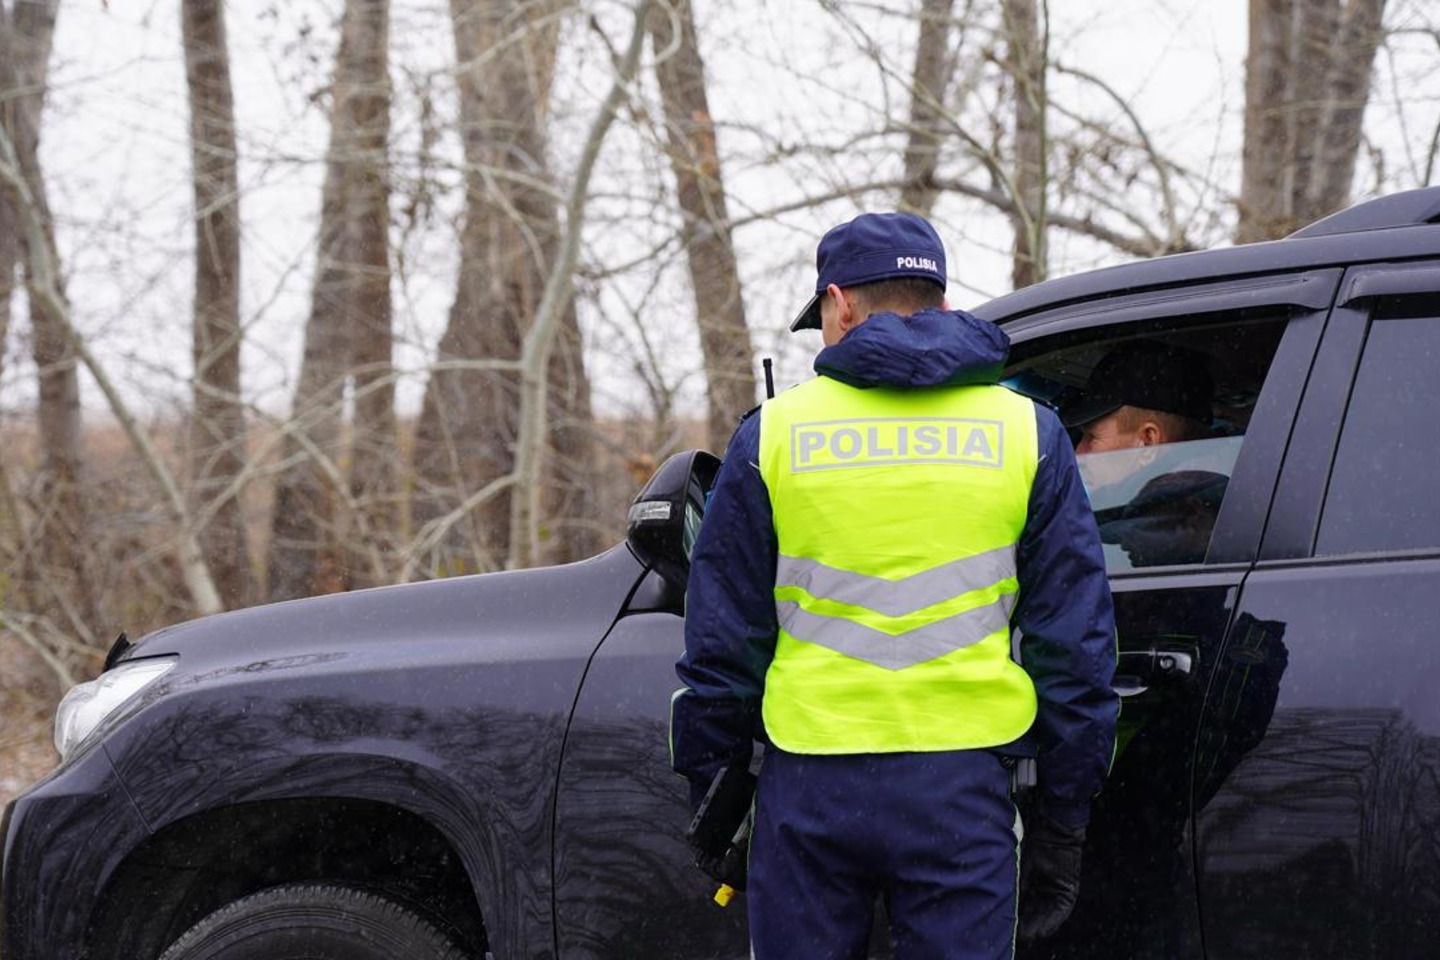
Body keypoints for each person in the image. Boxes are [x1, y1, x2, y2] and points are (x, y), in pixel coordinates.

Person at [670, 212, 1118, 959]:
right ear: (942, 302)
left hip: (809, 788)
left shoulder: (772, 437)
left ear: (839, 304)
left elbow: (721, 647)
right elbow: (1076, 650)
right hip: (961, 791)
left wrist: (714, 794)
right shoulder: (1028, 434)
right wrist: (1064, 820)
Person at [1062, 341, 1225, 567]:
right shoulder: (1212, 508)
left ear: (1147, 442)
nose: (1077, 453)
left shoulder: (1155, 535)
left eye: (1092, 437)